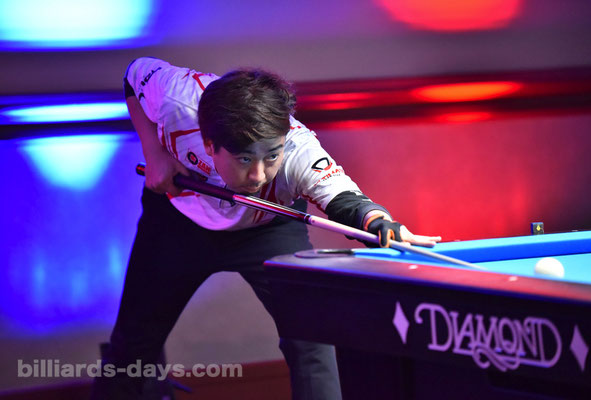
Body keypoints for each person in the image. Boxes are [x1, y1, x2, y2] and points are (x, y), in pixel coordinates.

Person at [90, 57, 441, 399]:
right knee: (132, 344)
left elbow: (345, 200)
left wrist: (380, 223)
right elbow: (134, 74)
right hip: (177, 223)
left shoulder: (299, 149)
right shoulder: (178, 99)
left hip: (268, 228)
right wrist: (154, 151)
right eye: (244, 158)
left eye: (271, 156)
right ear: (210, 144)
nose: (258, 175)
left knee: (310, 338)